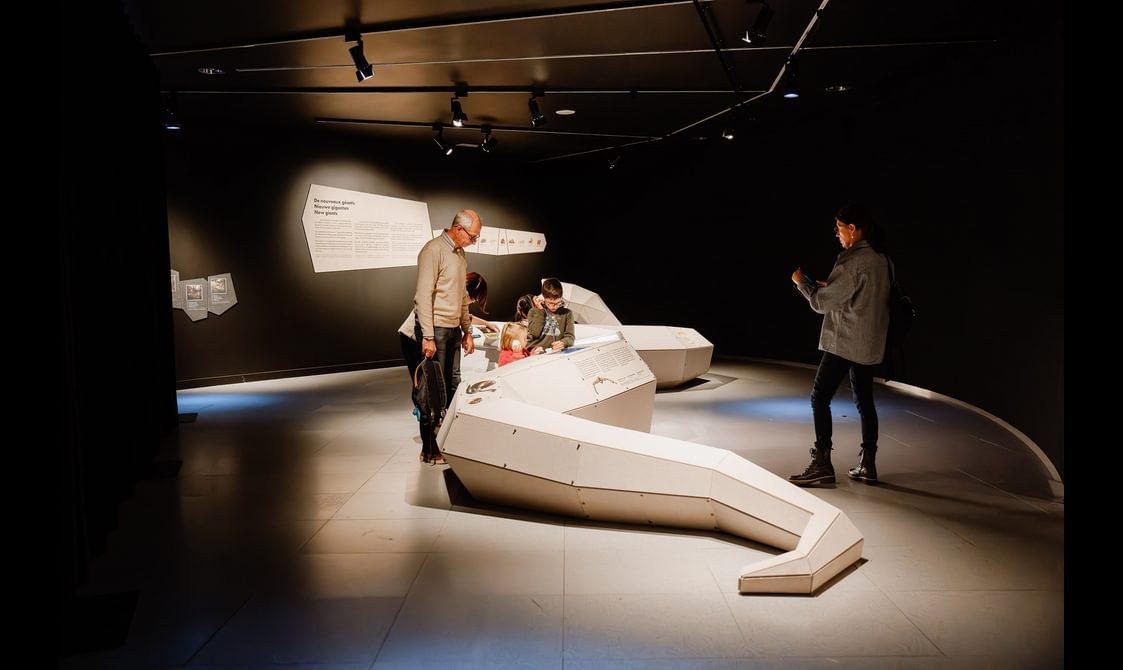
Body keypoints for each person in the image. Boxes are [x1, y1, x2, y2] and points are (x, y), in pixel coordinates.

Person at [789, 204, 890, 486]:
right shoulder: (882, 259)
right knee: (865, 403)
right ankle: (868, 464)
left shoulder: (851, 261)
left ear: (853, 229)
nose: (836, 234)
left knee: (819, 397)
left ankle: (822, 463)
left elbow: (821, 304)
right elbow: (862, 296)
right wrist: (829, 285)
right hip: (869, 344)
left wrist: (802, 284)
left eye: (839, 228)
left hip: (845, 341)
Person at [412, 209, 484, 464]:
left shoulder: (460, 254)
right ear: (458, 229)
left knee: (453, 388)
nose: (474, 241)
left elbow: (462, 298)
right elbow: (423, 296)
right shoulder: (433, 250)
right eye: (473, 236)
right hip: (436, 330)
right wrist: (428, 336)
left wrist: (467, 331)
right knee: (433, 391)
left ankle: (448, 442)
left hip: (453, 329)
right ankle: (429, 448)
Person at [399, 271, 492, 387]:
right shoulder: (447, 293)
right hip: (412, 336)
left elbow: (465, 317)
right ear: (468, 292)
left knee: (433, 379)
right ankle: (421, 404)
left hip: (425, 336)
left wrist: (486, 323)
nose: (472, 302)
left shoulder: (457, 295)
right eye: (473, 299)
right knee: (422, 379)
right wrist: (429, 338)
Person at [526, 278, 575, 354]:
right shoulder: (533, 312)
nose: (554, 306)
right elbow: (535, 333)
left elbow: (570, 337)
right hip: (535, 352)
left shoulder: (567, 314)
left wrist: (563, 343)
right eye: (550, 303)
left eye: (558, 303)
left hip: (555, 353)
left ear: (561, 298)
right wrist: (540, 311)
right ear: (544, 298)